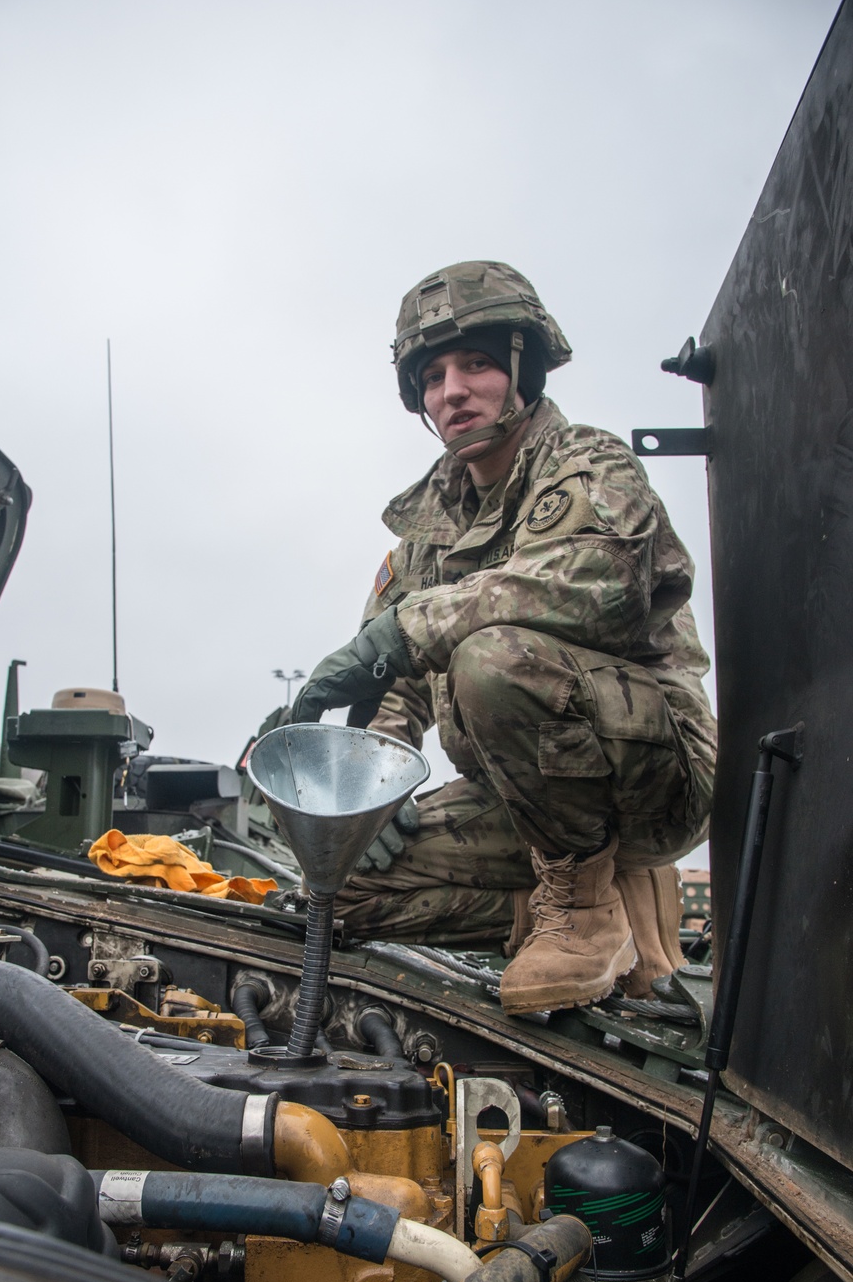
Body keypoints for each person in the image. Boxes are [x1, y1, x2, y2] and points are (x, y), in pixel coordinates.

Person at [291, 260, 716, 1014]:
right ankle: (593, 926)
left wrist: (406, 628)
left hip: (652, 778)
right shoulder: (428, 523)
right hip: (519, 795)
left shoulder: (589, 463)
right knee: (335, 886)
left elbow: (596, 588)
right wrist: (372, 787)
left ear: (523, 368)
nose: (451, 390)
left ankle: (585, 907)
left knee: (490, 659)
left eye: (476, 363)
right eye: (432, 376)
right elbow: (393, 680)